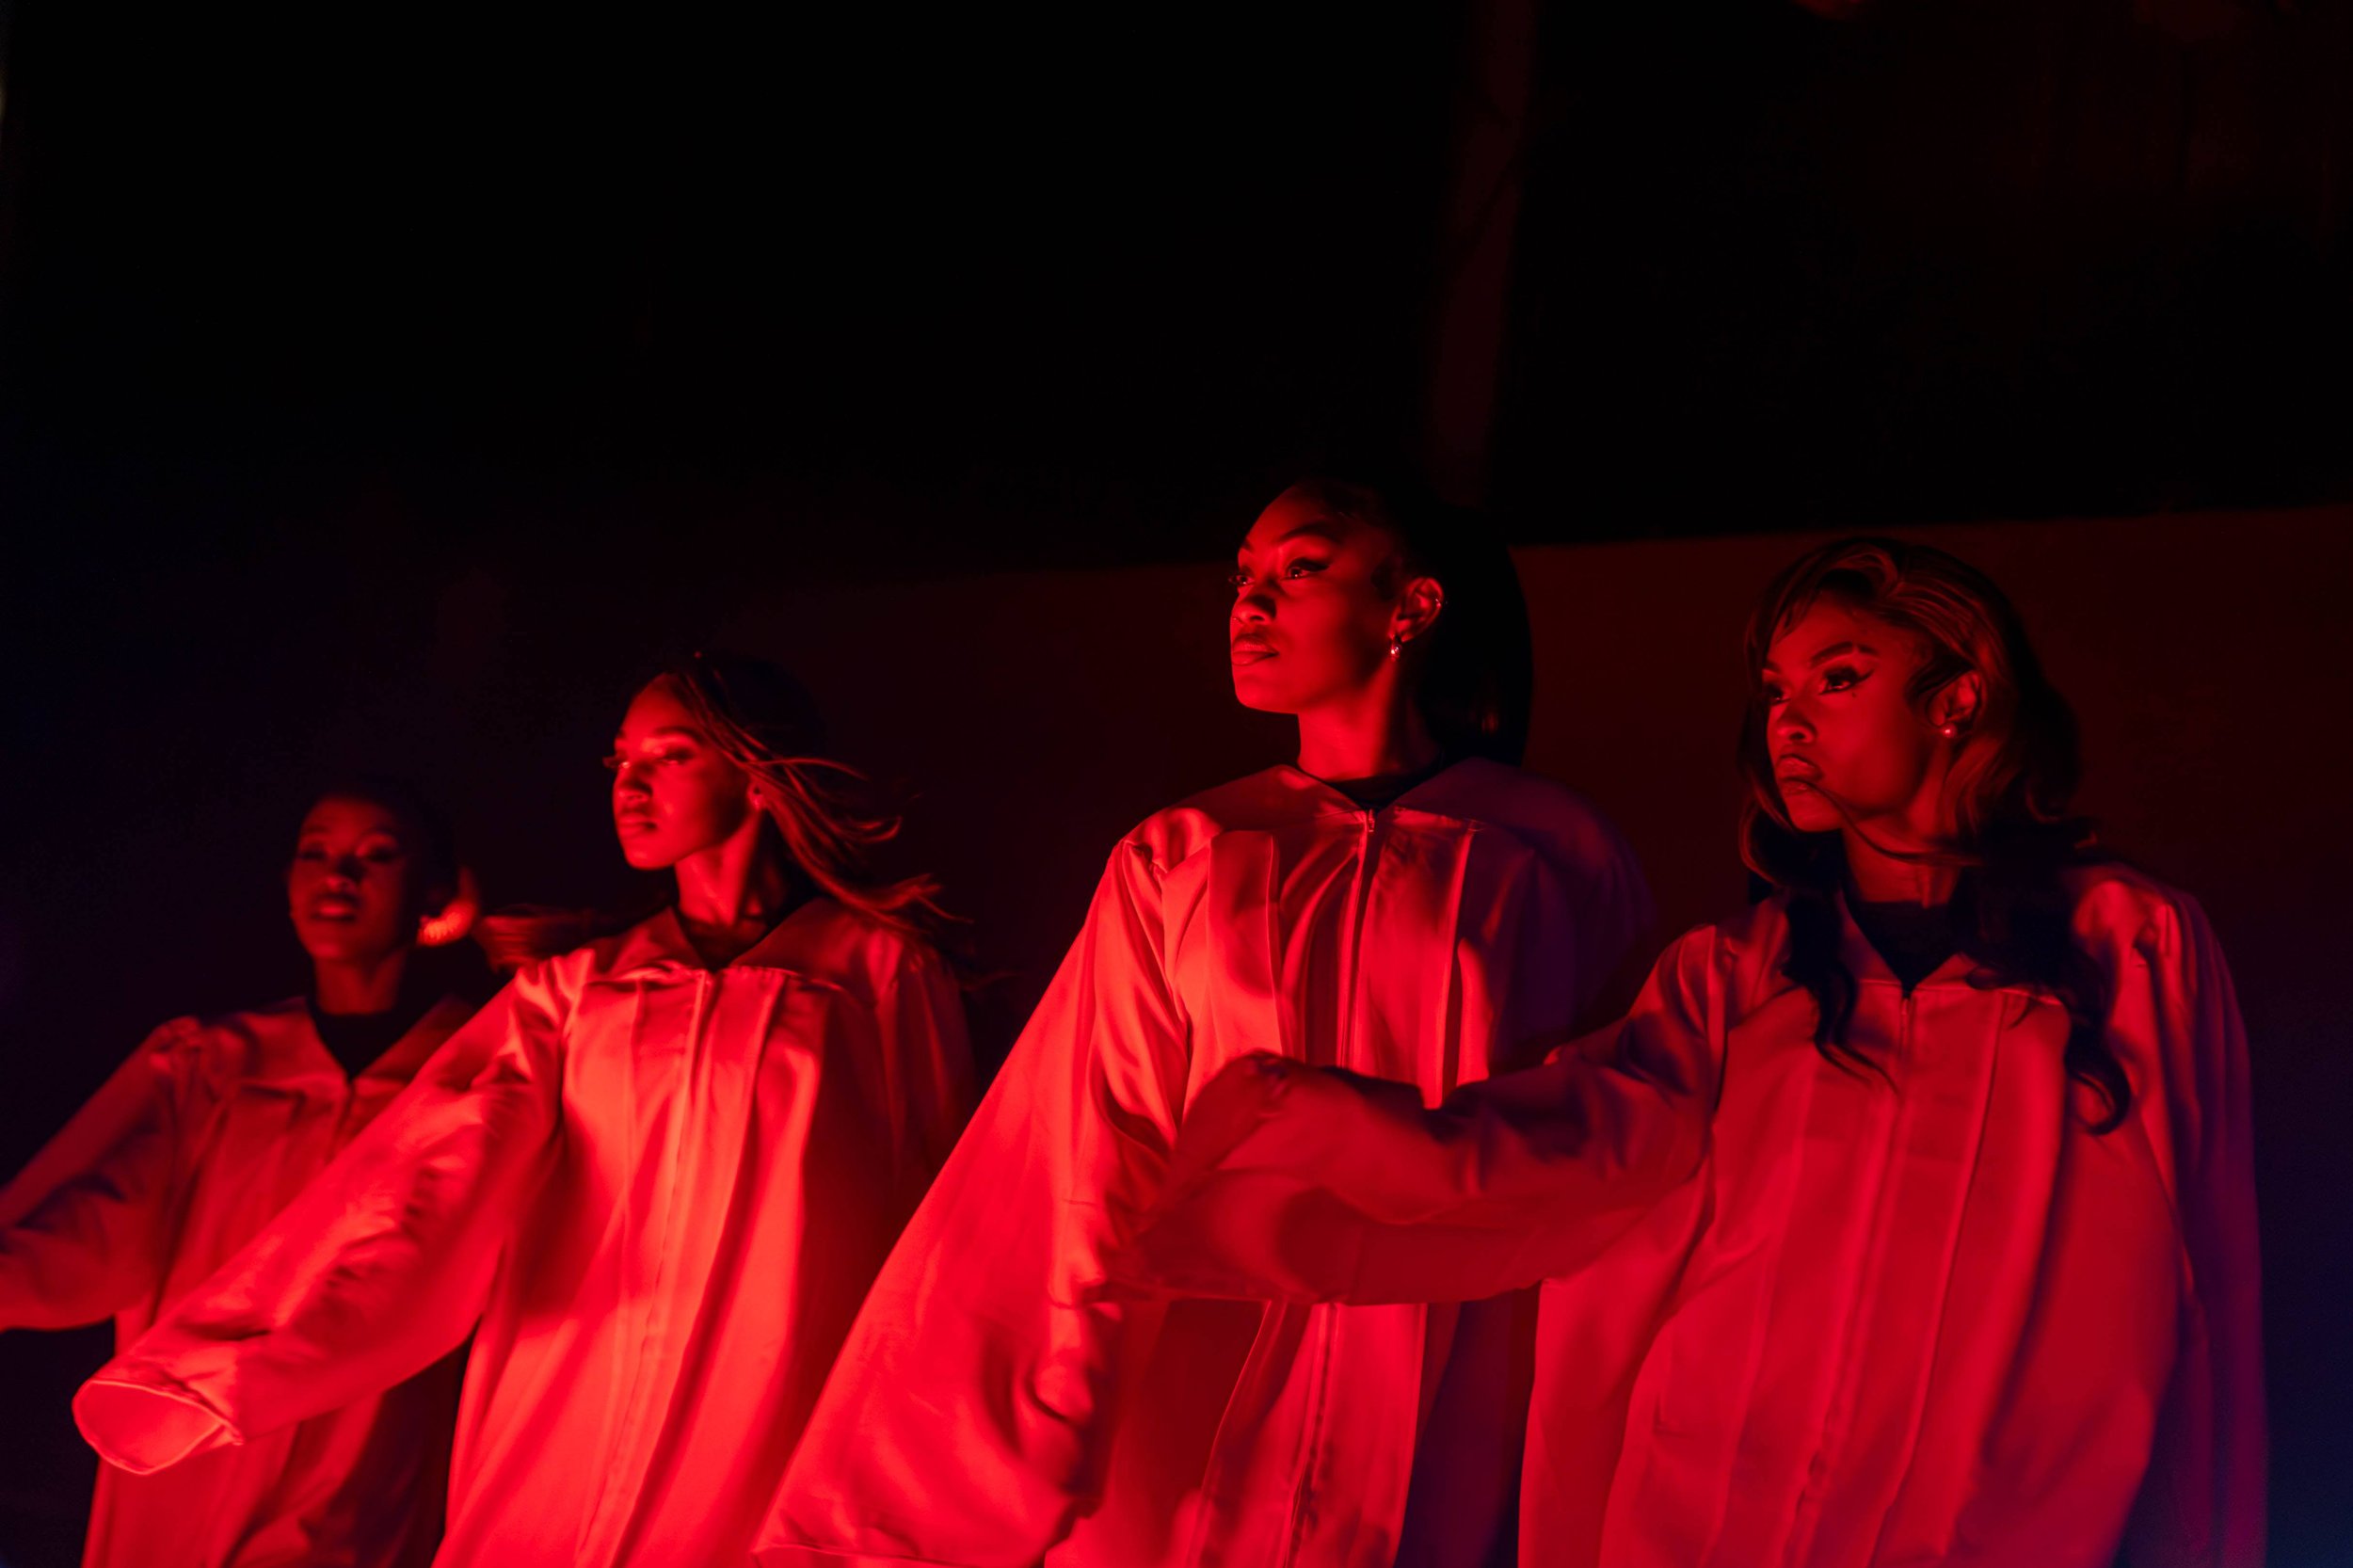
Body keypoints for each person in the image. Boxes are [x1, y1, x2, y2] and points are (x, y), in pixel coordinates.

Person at [1117, 537, 2265, 1568]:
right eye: (1773, 690)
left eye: (1838, 677)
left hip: (1992, 1511)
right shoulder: (1735, 975)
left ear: (1957, 698)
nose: (1788, 721)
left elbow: (2197, 1269)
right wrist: (1338, 1133)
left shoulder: (2124, 944)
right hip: (1715, 1503)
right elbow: (1584, 1141)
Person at [760, 475, 1653, 1568]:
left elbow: (1608, 1132)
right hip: (1203, 1380)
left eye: (1300, 568)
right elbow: (1087, 1142)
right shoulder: (1185, 853)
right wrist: (1008, 1444)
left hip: (1447, 1379)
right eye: (1241, 577)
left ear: (1412, 605)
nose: (1249, 603)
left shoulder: (1550, 852)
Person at [73, 654, 976, 1568]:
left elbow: (940, 1213)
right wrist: (231, 1359)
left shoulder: (877, 974)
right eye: (619, 760)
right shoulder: (576, 990)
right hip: (569, 1397)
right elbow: (423, 1183)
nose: (629, 786)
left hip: (768, 1401)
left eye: (669, 756)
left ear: (756, 773)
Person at [0, 781, 481, 1568]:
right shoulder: (217, 1066)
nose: (339, 876)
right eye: (316, 852)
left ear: (434, 888)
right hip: (195, 1434)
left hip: (361, 1441)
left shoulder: (476, 1064)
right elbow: (111, 1229)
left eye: (377, 855)